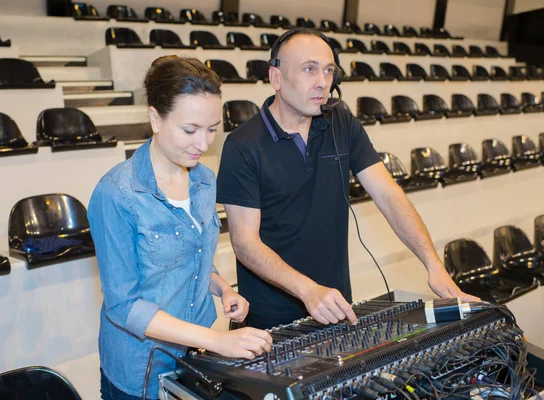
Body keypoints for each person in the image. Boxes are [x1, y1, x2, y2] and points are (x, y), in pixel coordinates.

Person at [216, 28, 480, 330]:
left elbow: (389, 196)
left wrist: (433, 265)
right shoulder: (242, 145)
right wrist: (308, 290)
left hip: (335, 307)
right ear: (276, 77)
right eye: (309, 70)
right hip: (269, 321)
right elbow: (244, 242)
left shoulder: (341, 122)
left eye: (329, 71)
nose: (323, 83)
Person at [88, 56, 272, 400]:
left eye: (212, 129)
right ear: (156, 118)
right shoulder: (116, 193)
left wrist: (221, 288)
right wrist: (217, 340)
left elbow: (193, 255)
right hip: (140, 368)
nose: (203, 144)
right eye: (190, 130)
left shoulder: (203, 179)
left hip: (192, 356)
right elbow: (124, 306)